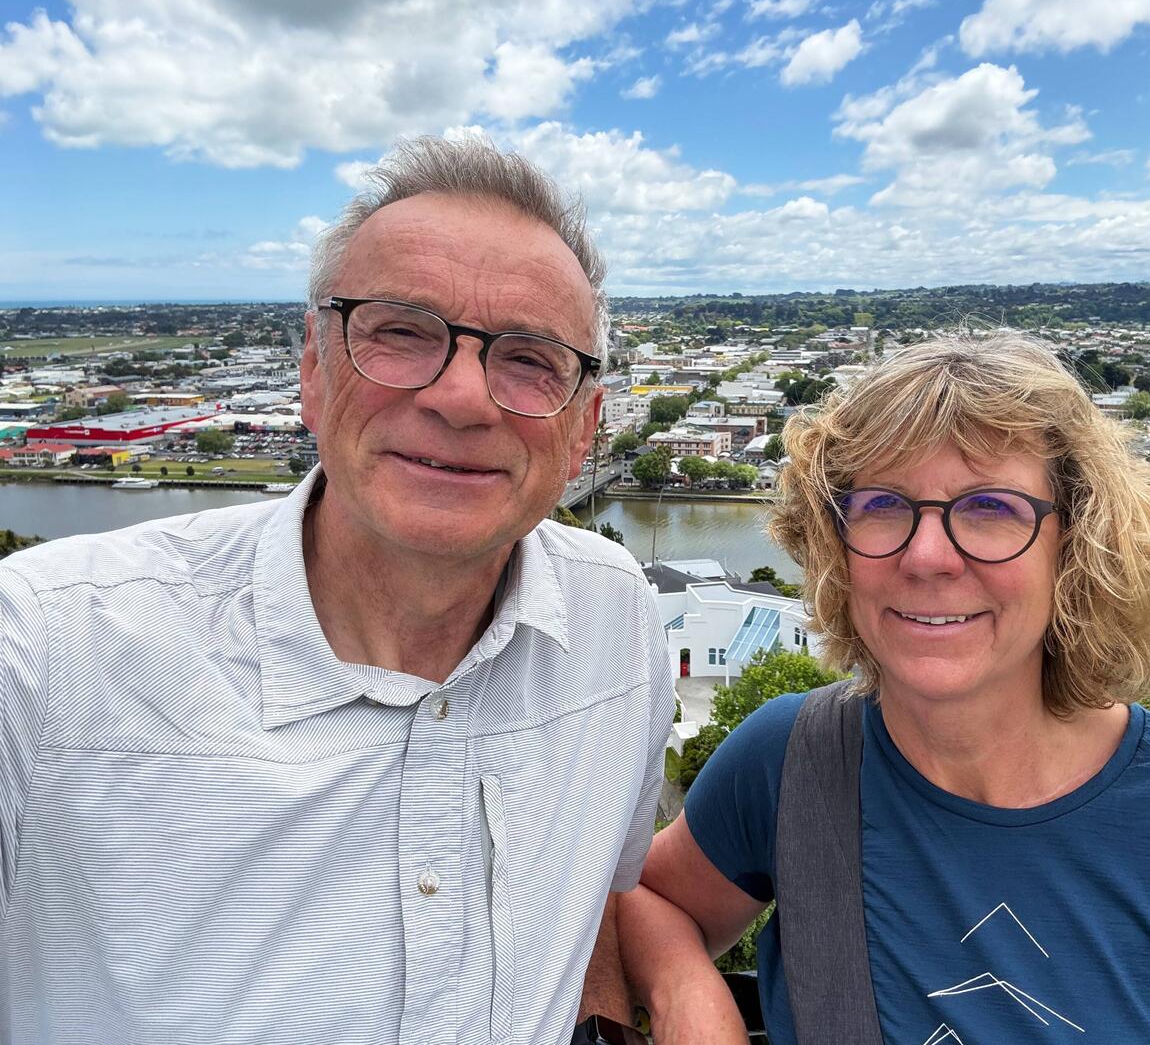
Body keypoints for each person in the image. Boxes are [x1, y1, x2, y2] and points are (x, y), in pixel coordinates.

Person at [0, 136, 673, 1044]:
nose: (462, 398)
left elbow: (593, 902)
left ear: (585, 428)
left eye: (529, 359)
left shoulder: (615, 619)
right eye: (402, 332)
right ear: (313, 373)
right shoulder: (42, 653)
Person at [619, 332, 1150, 1044]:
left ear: (1078, 545)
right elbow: (645, 898)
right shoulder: (790, 762)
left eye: (990, 508)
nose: (927, 556)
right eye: (883, 504)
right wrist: (688, 997)